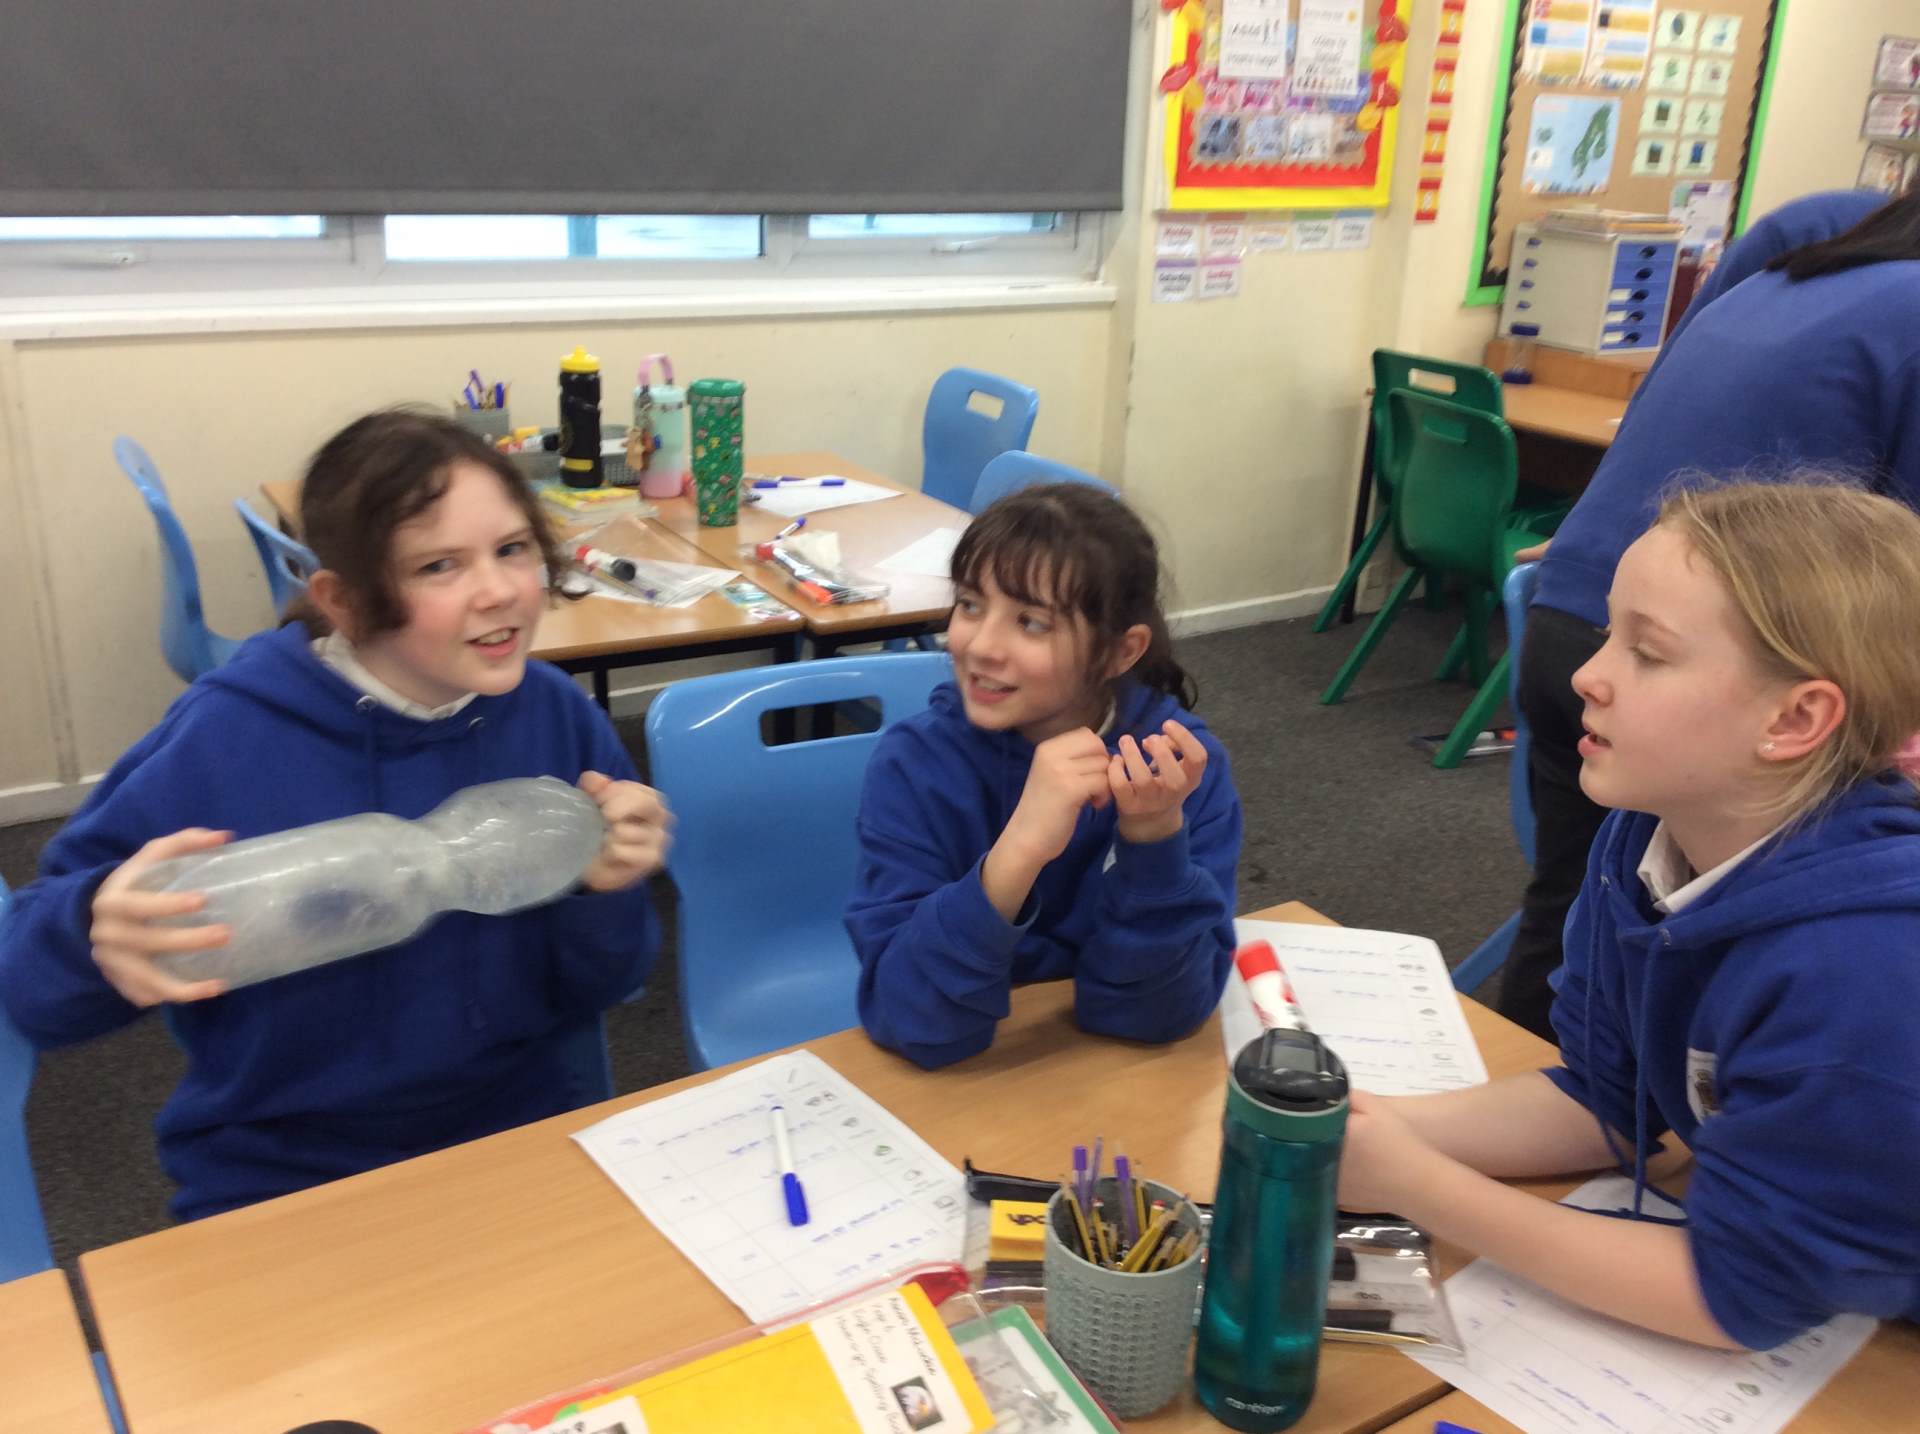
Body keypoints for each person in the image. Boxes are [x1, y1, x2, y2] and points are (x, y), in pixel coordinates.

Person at [0, 410, 672, 1219]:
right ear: (343, 602)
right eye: (439, 566)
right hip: (283, 1169)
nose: (499, 591)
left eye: (512, 548)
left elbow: (610, 982)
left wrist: (607, 889)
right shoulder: (225, 739)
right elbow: (33, 991)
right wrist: (91, 928)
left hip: (514, 1133)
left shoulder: (557, 718)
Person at [1341, 480, 1920, 1349]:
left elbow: (1737, 1298)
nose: (1586, 675)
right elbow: (1611, 1101)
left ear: (1795, 717)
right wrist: (1369, 1126)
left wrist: (1420, 1187)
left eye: (1646, 652)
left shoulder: (1863, 968)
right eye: (1608, 632)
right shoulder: (1646, 835)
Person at [1499, 186, 1920, 1039]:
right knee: (1657, 952)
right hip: (1695, 647)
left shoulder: (1805, 252)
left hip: (1579, 605)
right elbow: (1897, 568)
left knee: (1580, 923)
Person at [846, 483, 1242, 1069]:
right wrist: (1019, 850)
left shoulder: (1176, 771)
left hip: (1104, 1077)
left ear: (1121, 652)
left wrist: (1153, 840)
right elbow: (915, 1022)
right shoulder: (915, 765)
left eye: (1031, 623)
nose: (980, 646)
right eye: (970, 604)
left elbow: (1159, 1018)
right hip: (978, 1077)